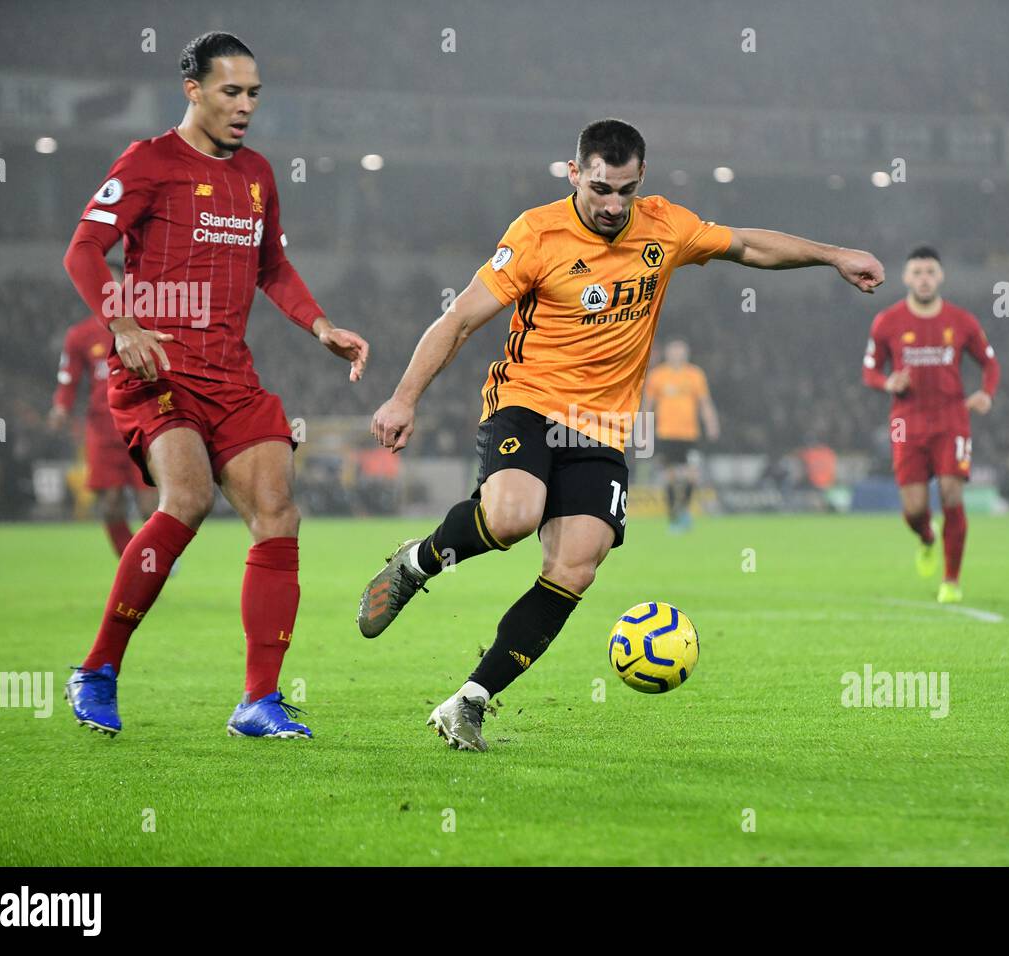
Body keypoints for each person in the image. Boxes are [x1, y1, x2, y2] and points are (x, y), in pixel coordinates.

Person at [358, 117, 883, 751]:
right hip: (528, 402)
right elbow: (460, 319)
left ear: (641, 182)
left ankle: (469, 701)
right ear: (574, 172)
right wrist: (403, 397)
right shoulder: (535, 234)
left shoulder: (665, 226)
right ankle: (417, 562)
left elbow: (746, 245)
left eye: (625, 191)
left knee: (576, 567)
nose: (611, 206)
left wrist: (833, 256)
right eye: (600, 189)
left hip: (603, 425)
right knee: (512, 518)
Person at [60, 32, 369, 738]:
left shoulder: (258, 174)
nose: (245, 106)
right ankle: (98, 669)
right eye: (231, 91)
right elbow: (83, 249)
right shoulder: (149, 161)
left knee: (277, 512)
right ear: (192, 89)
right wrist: (124, 324)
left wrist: (319, 325)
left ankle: (258, 701)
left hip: (232, 374)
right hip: (156, 367)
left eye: (254, 93)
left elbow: (272, 269)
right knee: (189, 499)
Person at [862, 246, 1000, 604]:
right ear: (907, 277)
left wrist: (986, 392)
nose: (924, 278)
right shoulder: (887, 322)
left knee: (953, 494)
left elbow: (990, 364)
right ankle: (926, 537)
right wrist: (887, 383)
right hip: (905, 423)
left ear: (940, 277)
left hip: (952, 418)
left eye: (930, 272)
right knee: (913, 508)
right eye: (917, 272)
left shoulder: (963, 321)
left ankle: (951, 581)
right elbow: (869, 370)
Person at [50, 264, 158, 554]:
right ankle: (132, 562)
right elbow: (68, 378)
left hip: (141, 426)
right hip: (101, 430)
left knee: (151, 504)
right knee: (110, 505)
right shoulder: (80, 335)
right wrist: (61, 407)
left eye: (115, 281)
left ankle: (155, 556)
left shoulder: (146, 326)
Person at [644, 339, 719, 531]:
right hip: (666, 434)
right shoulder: (657, 376)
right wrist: (643, 426)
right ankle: (673, 517)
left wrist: (711, 423)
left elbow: (704, 402)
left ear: (686, 354)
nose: (678, 355)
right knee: (668, 476)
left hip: (690, 435)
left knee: (692, 475)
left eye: (681, 352)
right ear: (668, 353)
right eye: (674, 351)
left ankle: (684, 511)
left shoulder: (695, 375)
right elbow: (648, 403)